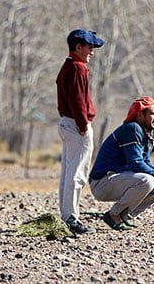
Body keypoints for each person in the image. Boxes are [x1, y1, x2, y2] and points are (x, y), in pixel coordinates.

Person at [88, 96, 154, 230]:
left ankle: (124, 216)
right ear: (140, 115)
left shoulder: (144, 133)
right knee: (147, 180)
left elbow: (145, 162)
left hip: (117, 179)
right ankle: (114, 214)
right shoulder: (132, 129)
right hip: (102, 183)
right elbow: (135, 164)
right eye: (153, 114)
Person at [56, 28, 105, 235]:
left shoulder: (67, 66)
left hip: (66, 123)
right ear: (78, 47)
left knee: (68, 171)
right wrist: (84, 124)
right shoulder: (78, 68)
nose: (92, 52)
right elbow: (78, 99)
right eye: (89, 47)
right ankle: (71, 219)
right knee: (77, 173)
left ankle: (67, 214)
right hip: (77, 125)